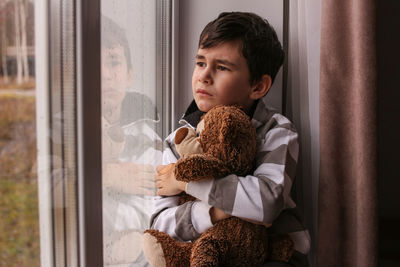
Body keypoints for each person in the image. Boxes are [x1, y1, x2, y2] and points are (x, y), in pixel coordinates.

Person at [151, 12, 310, 267]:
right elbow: (160, 223)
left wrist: (185, 182)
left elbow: (266, 203)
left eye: (222, 67)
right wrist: (215, 212)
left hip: (272, 257)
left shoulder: (276, 131)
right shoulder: (178, 140)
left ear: (258, 86)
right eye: (201, 63)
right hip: (208, 255)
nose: (204, 76)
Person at [101, 15, 162, 266]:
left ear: (129, 75)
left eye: (113, 62)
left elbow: (166, 208)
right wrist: (106, 176)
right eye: (93, 64)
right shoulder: (61, 130)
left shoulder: (149, 135)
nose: (105, 75)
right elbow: (41, 187)